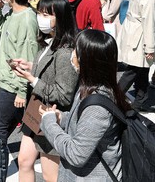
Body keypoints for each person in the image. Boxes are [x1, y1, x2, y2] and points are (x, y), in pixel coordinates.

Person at [39, 28, 127, 181]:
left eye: (76, 51)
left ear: (87, 60)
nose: (72, 55)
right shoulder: (89, 88)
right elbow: (82, 123)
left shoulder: (97, 108)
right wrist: (62, 117)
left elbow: (76, 155)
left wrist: (49, 122)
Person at [11, 0, 79, 182]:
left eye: (47, 15)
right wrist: (30, 66)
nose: (41, 18)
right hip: (36, 112)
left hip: (52, 116)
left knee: (51, 176)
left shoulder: (65, 51)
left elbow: (64, 95)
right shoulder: (49, 42)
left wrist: (32, 79)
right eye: (40, 13)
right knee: (24, 161)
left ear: (61, 18)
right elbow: (48, 70)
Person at [0, 0, 39, 174]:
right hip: (8, 83)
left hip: (14, 86)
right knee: (3, 128)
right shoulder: (13, 14)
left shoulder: (27, 19)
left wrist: (20, 90)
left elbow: (27, 56)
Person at [117, 0, 155, 113]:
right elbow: (149, 22)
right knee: (134, 71)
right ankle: (113, 97)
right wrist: (149, 47)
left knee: (142, 70)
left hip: (132, 31)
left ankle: (140, 101)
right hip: (140, 36)